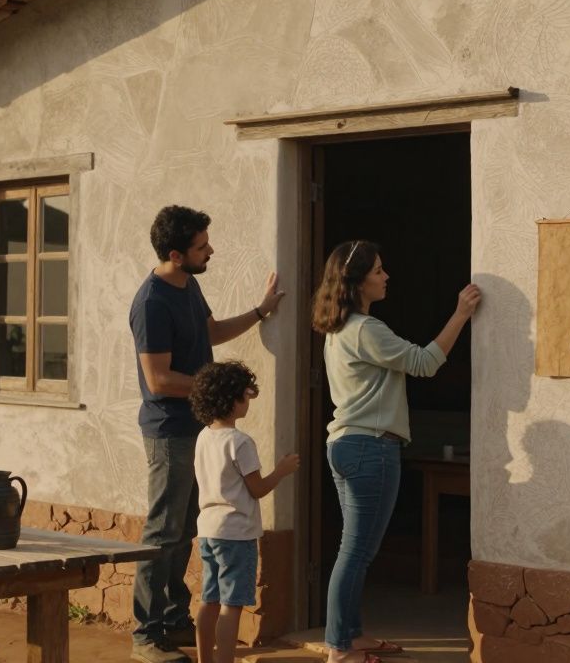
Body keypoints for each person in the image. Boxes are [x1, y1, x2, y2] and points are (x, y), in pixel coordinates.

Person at [309, 240, 480, 663]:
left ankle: (349, 635)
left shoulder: (340, 330)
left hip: (345, 445)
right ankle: (339, 647)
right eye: (379, 271)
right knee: (356, 552)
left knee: (353, 550)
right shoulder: (367, 330)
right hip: (370, 448)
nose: (386, 277)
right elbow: (425, 362)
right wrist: (460, 314)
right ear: (358, 280)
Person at [130, 205, 286, 663]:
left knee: (185, 533)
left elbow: (210, 332)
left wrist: (261, 311)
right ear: (176, 254)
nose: (210, 250)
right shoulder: (151, 302)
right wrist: (221, 387)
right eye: (201, 246)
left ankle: (175, 620)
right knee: (162, 531)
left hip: (198, 430)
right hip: (169, 432)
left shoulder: (188, 284)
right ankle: (145, 635)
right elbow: (158, 379)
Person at [189, 361, 299, 663]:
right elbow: (258, 488)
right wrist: (282, 470)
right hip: (236, 534)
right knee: (232, 605)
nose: (249, 400)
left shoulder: (204, 437)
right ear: (232, 399)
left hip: (209, 530)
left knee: (209, 600)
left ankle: (205, 660)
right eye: (244, 396)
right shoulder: (240, 442)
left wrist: (245, 387)